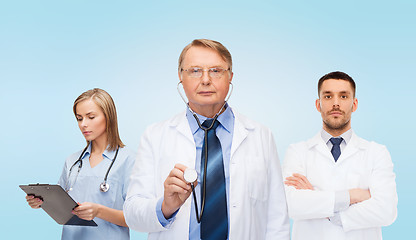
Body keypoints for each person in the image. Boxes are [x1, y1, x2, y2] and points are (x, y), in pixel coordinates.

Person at [124, 39, 289, 240]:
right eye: (194, 71)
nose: (205, 80)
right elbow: (132, 214)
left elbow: (277, 218)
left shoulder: (261, 135)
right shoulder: (155, 135)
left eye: (216, 70)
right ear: (180, 77)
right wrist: (166, 206)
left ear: (230, 77)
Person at [283, 71, 398, 240]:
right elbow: (292, 205)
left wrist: (325, 209)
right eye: (328, 97)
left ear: (354, 104)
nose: (335, 103)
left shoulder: (376, 153)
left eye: (343, 97)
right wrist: (353, 196)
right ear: (318, 104)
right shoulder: (297, 152)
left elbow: (387, 210)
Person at [26, 88, 135, 240]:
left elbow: (137, 219)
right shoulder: (72, 161)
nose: (83, 124)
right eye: (79, 118)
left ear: (108, 117)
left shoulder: (129, 160)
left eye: (91, 117)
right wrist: (41, 203)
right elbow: (60, 206)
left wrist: (98, 211)